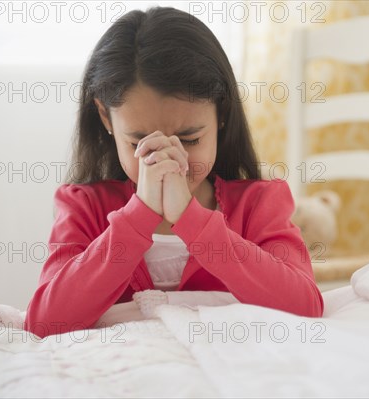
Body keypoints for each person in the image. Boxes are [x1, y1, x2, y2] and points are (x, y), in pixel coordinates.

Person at [25, 7, 323, 338]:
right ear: (106, 119)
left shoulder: (259, 203)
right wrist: (140, 216)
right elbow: (43, 322)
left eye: (189, 139)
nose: (170, 160)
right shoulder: (84, 206)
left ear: (221, 114)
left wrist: (192, 220)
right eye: (141, 143)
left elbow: (305, 307)